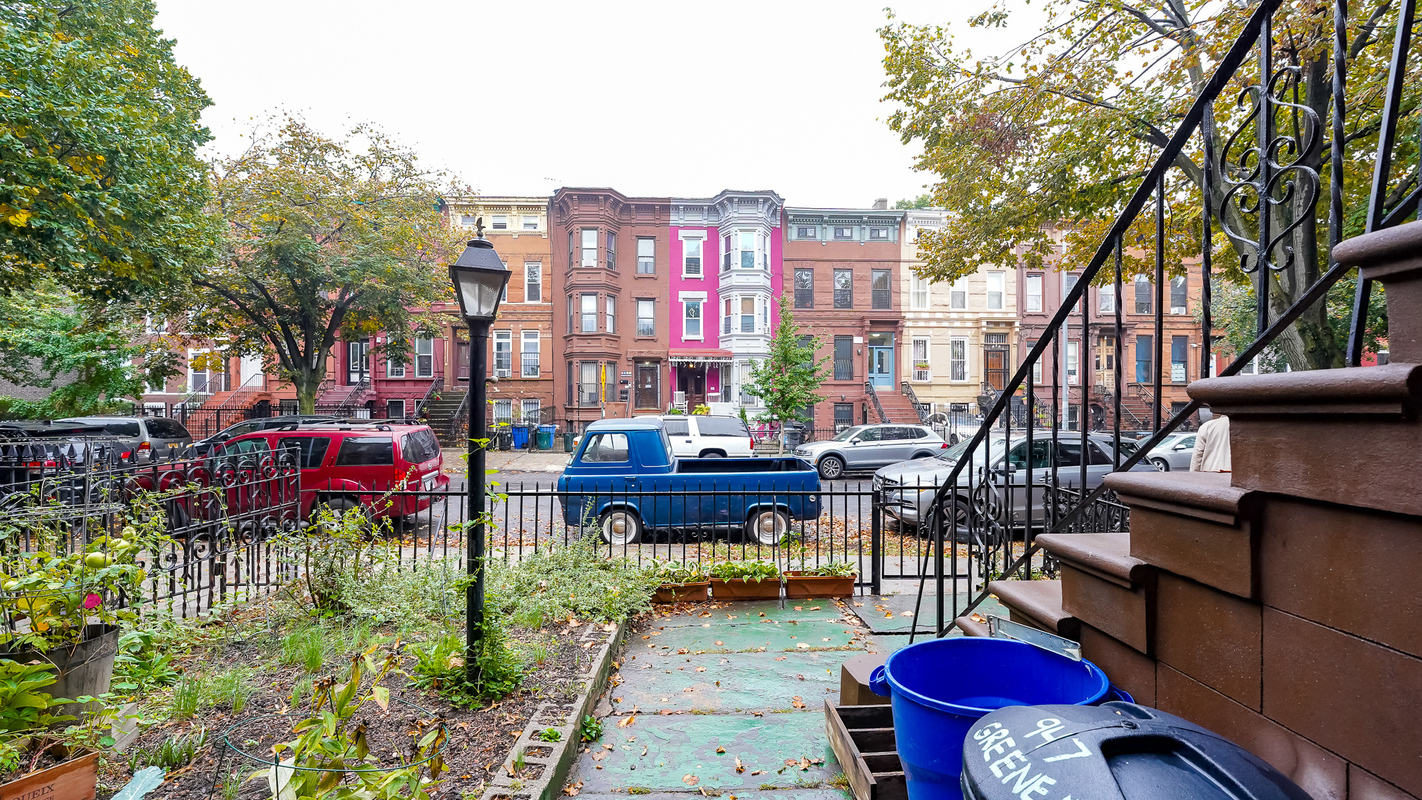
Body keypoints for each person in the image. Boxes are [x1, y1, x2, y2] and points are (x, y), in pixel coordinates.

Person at [1190, 407, 1231, 472]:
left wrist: (1193, 474)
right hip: (1237, 473)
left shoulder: (1207, 426)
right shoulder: (1245, 428)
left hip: (1211, 471)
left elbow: (1197, 455)